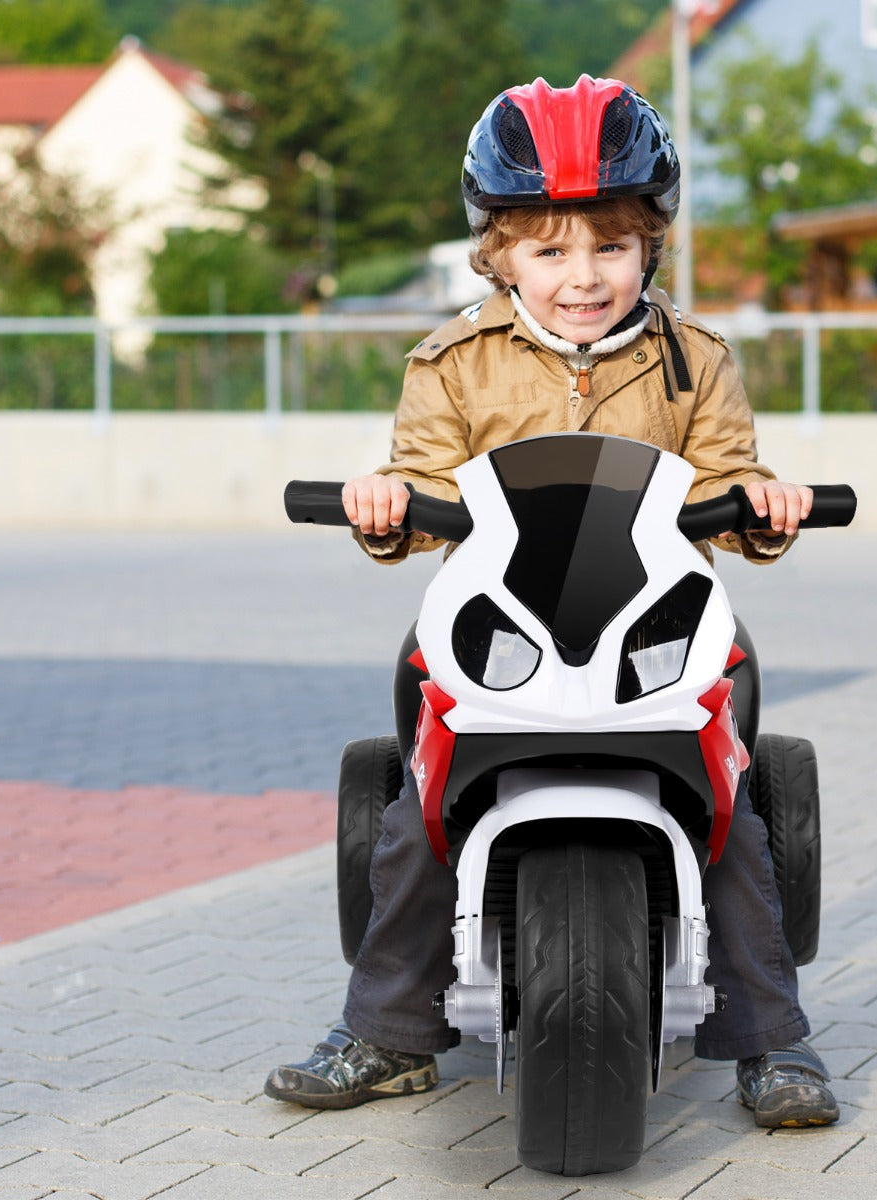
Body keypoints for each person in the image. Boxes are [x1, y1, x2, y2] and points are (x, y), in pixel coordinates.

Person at [264, 75, 839, 1130]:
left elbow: (725, 486)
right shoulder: (452, 362)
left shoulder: (695, 360)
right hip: (502, 625)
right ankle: (388, 1033)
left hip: (656, 623)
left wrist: (765, 504)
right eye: (551, 250)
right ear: (499, 253)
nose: (584, 276)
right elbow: (423, 491)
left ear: (651, 246)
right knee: (420, 806)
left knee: (732, 805)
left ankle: (771, 1039)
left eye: (611, 247)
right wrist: (385, 506)